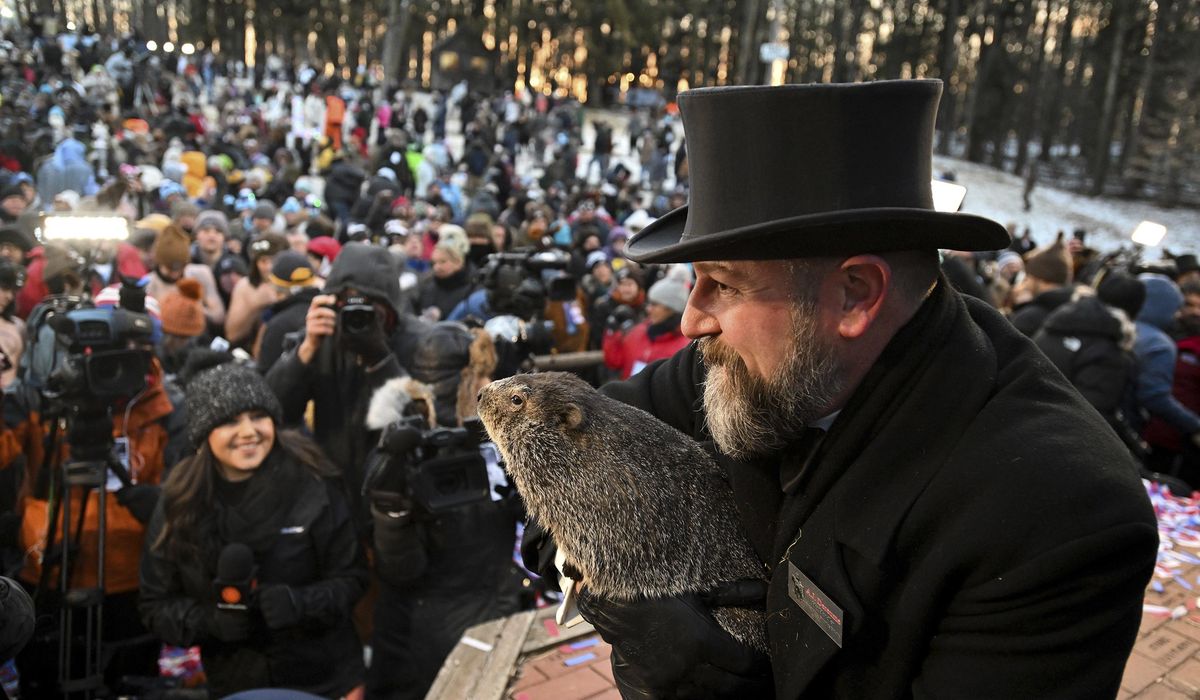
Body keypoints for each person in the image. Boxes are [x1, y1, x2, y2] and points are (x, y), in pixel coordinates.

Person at [528, 81, 1157, 698]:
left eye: (726, 283)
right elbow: (580, 446)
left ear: (855, 295)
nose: (692, 320)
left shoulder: (1058, 515)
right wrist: (605, 578)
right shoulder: (740, 361)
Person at [139, 360, 366, 698]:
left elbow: (354, 578)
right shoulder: (180, 502)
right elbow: (156, 605)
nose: (248, 431)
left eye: (258, 417)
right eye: (230, 421)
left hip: (326, 679)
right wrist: (211, 621)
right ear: (203, 434)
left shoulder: (313, 482)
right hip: (235, 683)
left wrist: (300, 603)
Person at [603, 278, 691, 379]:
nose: (648, 309)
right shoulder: (638, 332)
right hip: (630, 393)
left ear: (671, 309)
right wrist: (611, 332)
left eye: (654, 305)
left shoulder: (684, 347)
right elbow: (614, 361)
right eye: (649, 303)